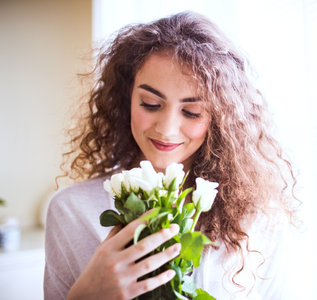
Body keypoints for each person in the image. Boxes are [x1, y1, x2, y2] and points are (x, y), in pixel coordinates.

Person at [44, 11, 302, 300]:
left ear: (220, 117)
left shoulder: (260, 218)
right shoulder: (71, 211)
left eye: (192, 112)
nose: (166, 130)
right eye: (151, 104)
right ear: (126, 99)